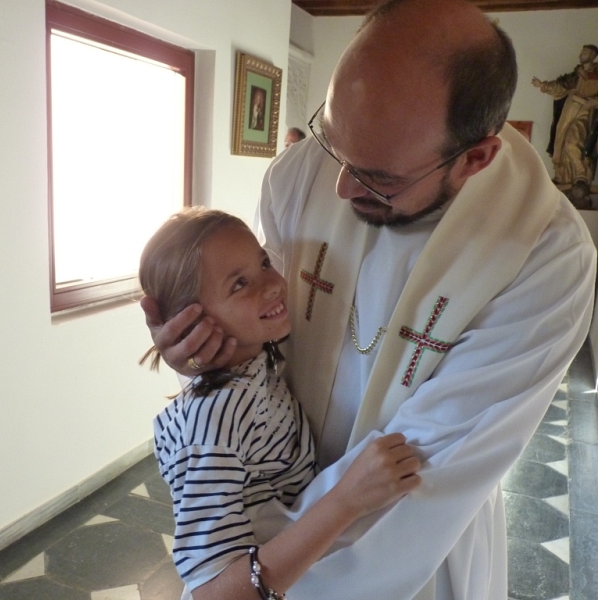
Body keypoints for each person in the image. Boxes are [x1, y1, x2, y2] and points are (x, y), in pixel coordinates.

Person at [141, 1, 597, 598]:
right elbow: (259, 332)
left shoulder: (544, 257)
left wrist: (261, 570)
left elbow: (425, 471)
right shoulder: (299, 175)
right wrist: (208, 357)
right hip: (261, 535)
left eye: (379, 178)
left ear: (474, 159)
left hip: (407, 547)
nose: (340, 187)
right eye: (333, 142)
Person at [139, 206, 421, 599]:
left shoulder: (259, 364)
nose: (271, 284)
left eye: (264, 263)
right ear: (190, 319)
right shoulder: (214, 421)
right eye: (239, 284)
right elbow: (212, 594)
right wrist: (347, 499)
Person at [532, 44, 598, 207]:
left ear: (593, 55)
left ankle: (581, 177)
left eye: (586, 52)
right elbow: (560, 86)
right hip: (569, 108)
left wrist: (596, 102)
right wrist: (543, 86)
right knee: (560, 144)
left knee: (573, 142)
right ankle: (563, 178)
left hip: (585, 111)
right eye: (581, 51)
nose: (582, 54)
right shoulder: (575, 74)